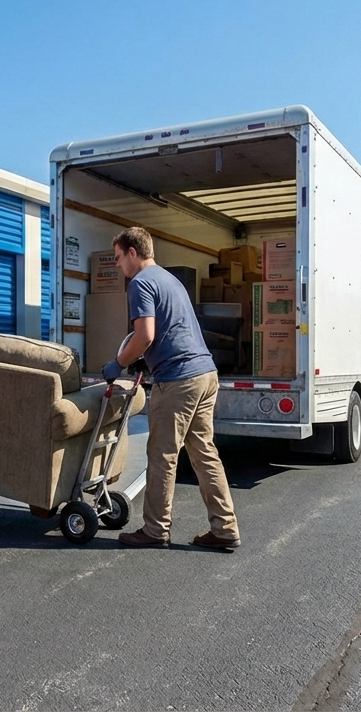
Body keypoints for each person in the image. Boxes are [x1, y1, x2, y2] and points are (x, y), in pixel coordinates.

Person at [103, 227, 240, 549]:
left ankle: (154, 531)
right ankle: (225, 529)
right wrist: (144, 358)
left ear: (133, 253)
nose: (119, 265)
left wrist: (120, 362)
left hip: (178, 380)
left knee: (162, 455)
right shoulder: (169, 279)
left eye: (120, 258)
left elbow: (145, 335)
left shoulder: (140, 283)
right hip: (205, 374)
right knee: (205, 454)